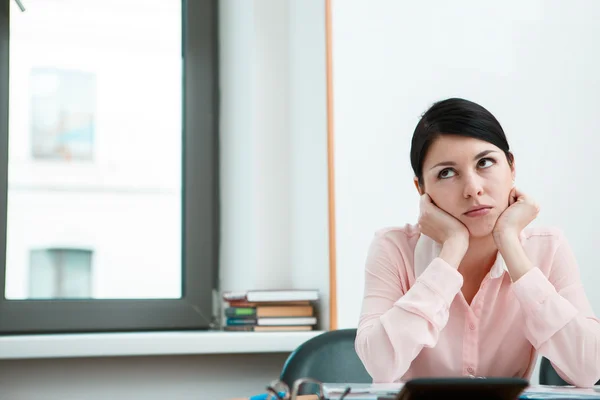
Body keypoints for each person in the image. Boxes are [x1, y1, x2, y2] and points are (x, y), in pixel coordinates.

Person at [354, 98, 600, 387]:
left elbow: (588, 368)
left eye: (485, 162)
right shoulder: (392, 248)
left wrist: (510, 243)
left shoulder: (548, 247)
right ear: (421, 189)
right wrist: (451, 251)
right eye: (447, 173)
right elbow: (380, 365)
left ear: (511, 166)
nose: (473, 189)